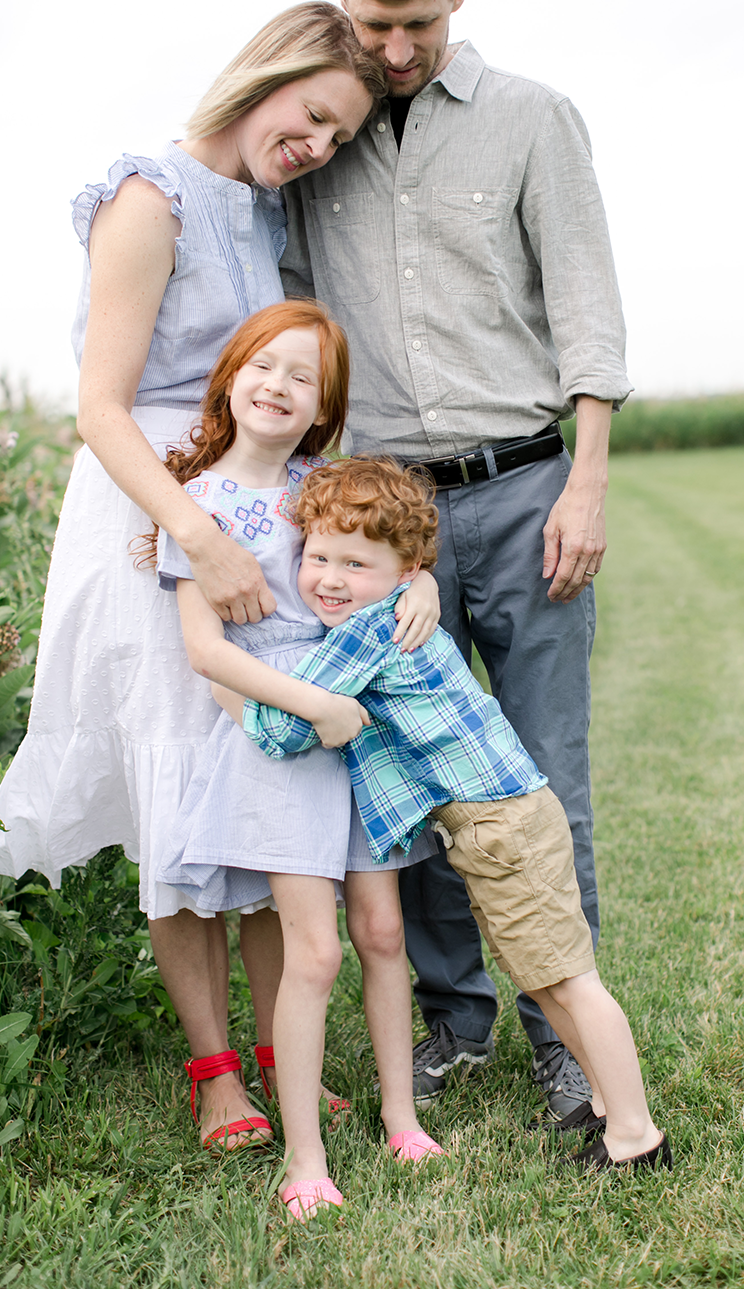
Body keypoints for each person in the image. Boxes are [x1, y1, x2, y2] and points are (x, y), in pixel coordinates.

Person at [0, 2, 399, 1155]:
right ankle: (215, 1072)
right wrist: (192, 531)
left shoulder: (259, 212)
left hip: (249, 510)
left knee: (253, 768)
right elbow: (100, 407)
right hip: (152, 514)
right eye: (313, 113)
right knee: (178, 780)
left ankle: (279, 1050)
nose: (316, 145)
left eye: (339, 136)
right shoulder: (146, 197)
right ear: (267, 75)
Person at [279, 0, 635, 1127]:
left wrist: (586, 482)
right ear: (342, 0)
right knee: (407, 777)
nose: (394, 50)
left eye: (417, 24)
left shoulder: (535, 119)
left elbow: (587, 308)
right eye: (373, 24)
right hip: (387, 516)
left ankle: (561, 1034)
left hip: (529, 489)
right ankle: (454, 1022)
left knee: (540, 782)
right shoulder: (319, 138)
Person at [238, 457, 671, 1173]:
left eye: (356, 563)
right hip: (505, 821)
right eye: (317, 558)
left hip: (500, 829)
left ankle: (635, 1134)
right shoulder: (393, 608)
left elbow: (284, 727)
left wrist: (225, 681)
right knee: (547, 975)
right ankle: (608, 1104)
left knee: (569, 980)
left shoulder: (367, 631)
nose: (331, 579)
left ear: (408, 572)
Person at [155, 306, 443, 1219]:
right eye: (264, 366)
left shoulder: (323, 483)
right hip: (285, 733)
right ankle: (305, 1159)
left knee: (383, 931)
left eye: (303, 378)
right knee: (313, 951)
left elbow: (391, 549)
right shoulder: (195, 506)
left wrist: (425, 584)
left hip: (362, 724)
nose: (278, 387)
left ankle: (401, 1117)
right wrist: (314, 707)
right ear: (231, 376)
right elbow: (206, 651)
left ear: (325, 407)